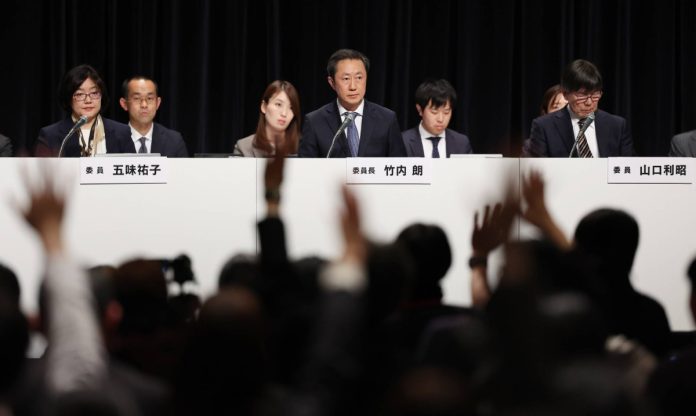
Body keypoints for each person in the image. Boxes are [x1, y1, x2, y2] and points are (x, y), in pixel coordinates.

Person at [298, 49, 406, 158]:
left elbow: (399, 164)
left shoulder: (387, 119)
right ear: (332, 82)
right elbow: (305, 166)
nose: (353, 86)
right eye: (346, 78)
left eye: (359, 77)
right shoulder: (315, 121)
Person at [527, 59, 635, 157]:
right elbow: (537, 169)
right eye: (582, 96)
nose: (589, 102)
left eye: (595, 95)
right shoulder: (544, 126)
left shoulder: (617, 126)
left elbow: (630, 167)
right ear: (565, 94)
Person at [35, 64, 135, 157]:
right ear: (69, 98)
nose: (88, 100)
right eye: (79, 94)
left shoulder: (122, 133)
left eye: (94, 93)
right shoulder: (50, 135)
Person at [119, 76, 188, 157]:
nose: (144, 105)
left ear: (157, 103)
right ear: (124, 104)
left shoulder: (174, 141)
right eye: (137, 98)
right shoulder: (113, 140)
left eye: (149, 98)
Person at [401, 79, 473, 157]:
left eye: (446, 112)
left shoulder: (461, 143)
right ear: (420, 110)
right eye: (434, 112)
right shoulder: (403, 141)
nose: (440, 119)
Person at [234, 80, 301, 157]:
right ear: (264, 107)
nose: (284, 113)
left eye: (291, 108)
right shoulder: (244, 147)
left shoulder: (303, 146)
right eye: (278, 104)